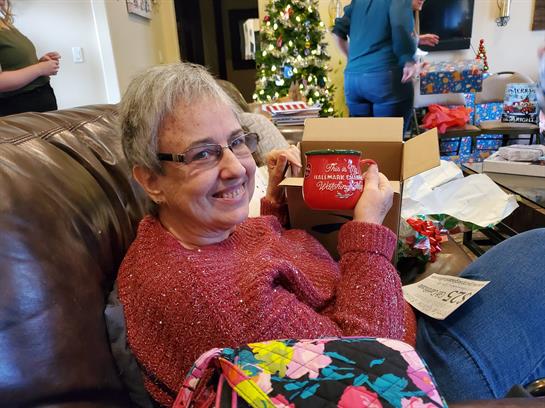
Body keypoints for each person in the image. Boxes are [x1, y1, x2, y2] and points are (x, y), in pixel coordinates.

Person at [117, 62, 545, 407]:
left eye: (236, 142)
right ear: (150, 180)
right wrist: (367, 230)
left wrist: (275, 204)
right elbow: (375, 360)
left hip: (386, 314)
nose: (235, 167)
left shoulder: (178, 234)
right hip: (416, 372)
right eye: (203, 154)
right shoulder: (209, 296)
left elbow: (255, 259)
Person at [332, 0, 418, 131]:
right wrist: (408, 60)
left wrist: (354, 60)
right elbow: (400, 25)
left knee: (364, 144)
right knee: (389, 144)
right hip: (384, 78)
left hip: (353, 81)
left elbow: (338, 33)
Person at [0, 0, 60, 116]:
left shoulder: (4, 25)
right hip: (20, 106)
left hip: (38, 99)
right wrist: (40, 69)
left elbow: (14, 64)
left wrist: (39, 63)